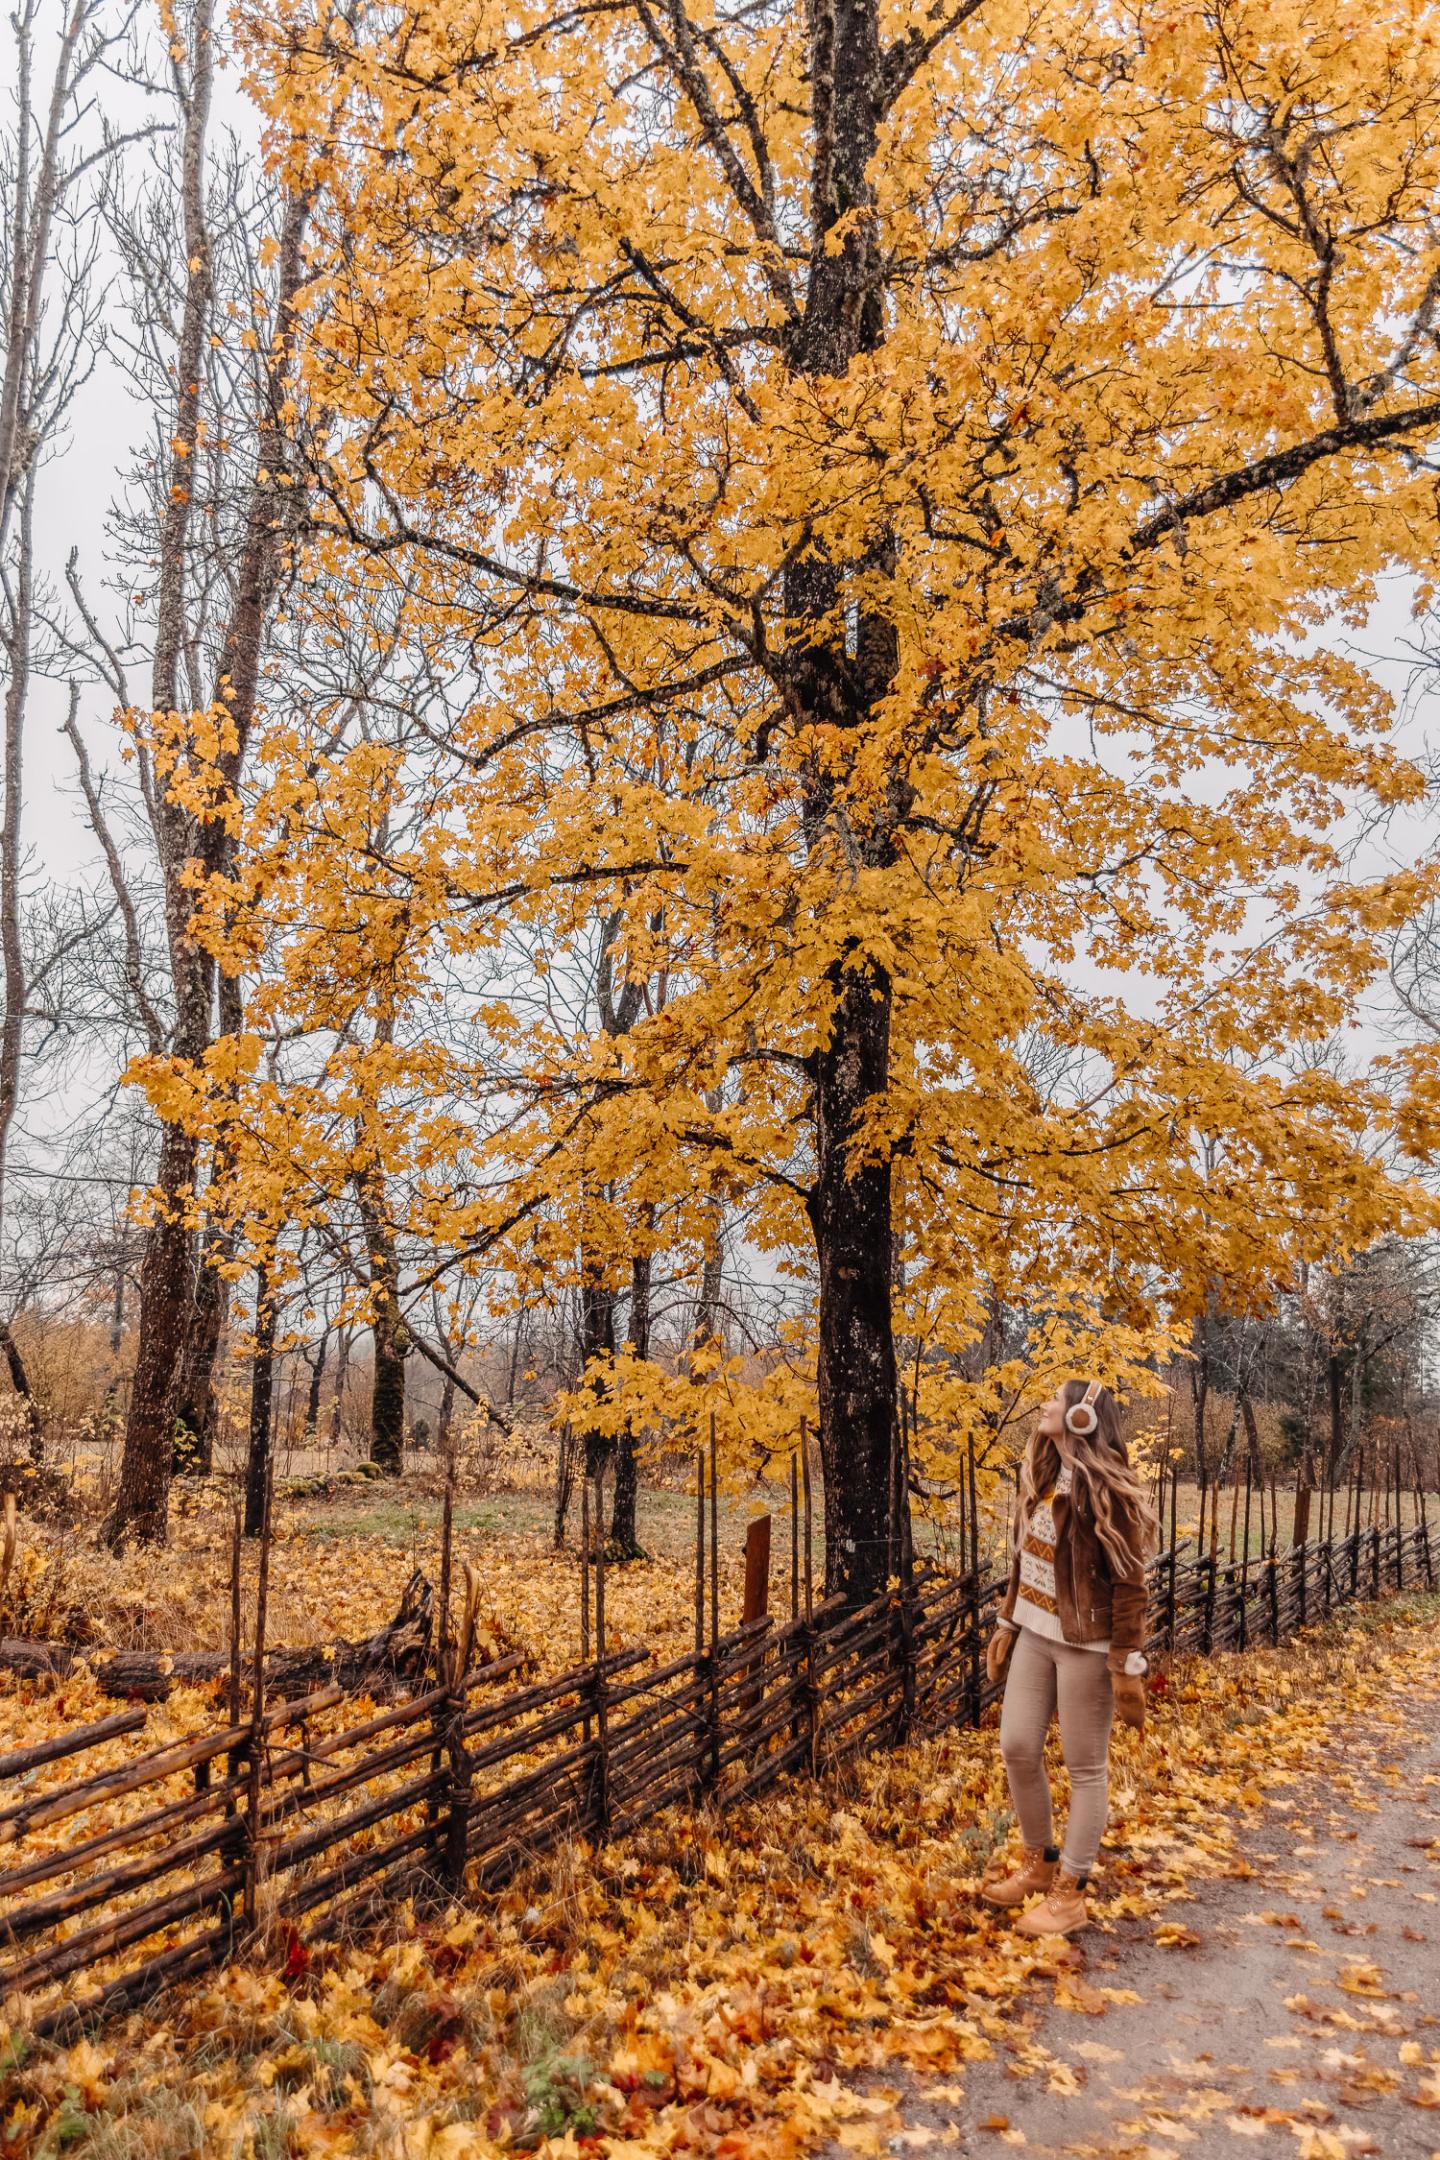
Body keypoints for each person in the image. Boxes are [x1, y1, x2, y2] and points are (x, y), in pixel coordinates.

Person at [980, 1378, 1158, 1937]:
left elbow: (1131, 1584)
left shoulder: (1109, 1490)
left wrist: (1126, 1661)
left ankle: (1070, 1893)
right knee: (1017, 1746)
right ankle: (1040, 1863)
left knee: (1085, 1769)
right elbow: (1025, 1560)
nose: (1045, 1405)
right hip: (1034, 1634)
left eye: (1056, 1399)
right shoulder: (1043, 1476)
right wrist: (1008, 1623)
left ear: (1084, 1416)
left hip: (1088, 1646)